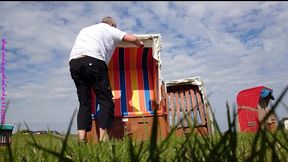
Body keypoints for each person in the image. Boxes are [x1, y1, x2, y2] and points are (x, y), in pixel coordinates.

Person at [69, 16, 144, 142]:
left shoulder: (86, 30)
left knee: (84, 103)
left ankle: (81, 140)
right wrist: (139, 43)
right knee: (105, 101)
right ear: (112, 25)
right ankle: (103, 139)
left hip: (74, 64)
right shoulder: (108, 28)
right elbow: (131, 38)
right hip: (93, 61)